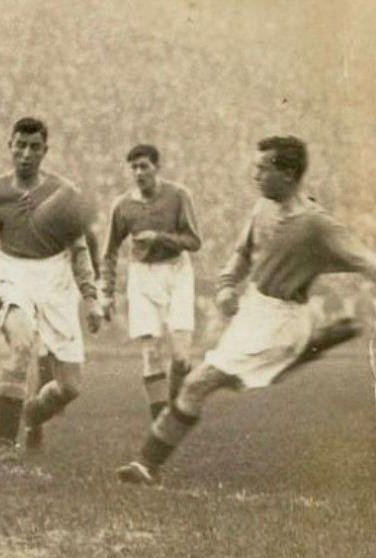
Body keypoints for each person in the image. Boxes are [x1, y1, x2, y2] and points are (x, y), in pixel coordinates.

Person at [116, 136, 368, 485]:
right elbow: (241, 253)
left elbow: (366, 260)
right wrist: (226, 286)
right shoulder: (262, 209)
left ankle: (146, 465)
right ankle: (311, 344)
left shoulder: (317, 225)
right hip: (253, 310)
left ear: (290, 173)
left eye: (264, 169)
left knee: (198, 383)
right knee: (232, 380)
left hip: (283, 319)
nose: (255, 175)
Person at [0, 117, 103, 462]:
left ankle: (29, 417)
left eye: (34, 147)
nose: (26, 153)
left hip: (57, 280)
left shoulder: (64, 193)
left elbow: (79, 249)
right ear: (9, 145)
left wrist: (90, 297)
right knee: (22, 346)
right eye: (20, 145)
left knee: (70, 388)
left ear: (46, 150)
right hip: (12, 274)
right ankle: (4, 443)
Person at [100, 144, 202, 419]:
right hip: (142, 275)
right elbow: (109, 252)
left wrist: (159, 237)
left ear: (157, 167)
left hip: (177, 271)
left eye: (144, 166)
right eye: (133, 167)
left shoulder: (179, 195)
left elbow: (194, 241)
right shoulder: (123, 206)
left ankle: (173, 404)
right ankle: (160, 423)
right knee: (151, 353)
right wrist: (106, 293)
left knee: (181, 358)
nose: (138, 172)